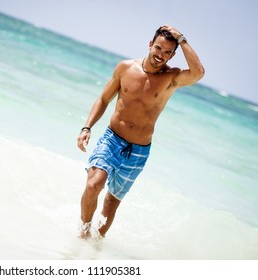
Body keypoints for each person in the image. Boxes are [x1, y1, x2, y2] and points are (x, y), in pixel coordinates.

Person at [77, 25, 205, 238]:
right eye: (158, 48)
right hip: (112, 139)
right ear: (150, 44)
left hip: (138, 151)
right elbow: (103, 99)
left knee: (110, 204)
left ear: (173, 55)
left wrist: (182, 39)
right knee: (93, 184)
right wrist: (86, 127)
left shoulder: (171, 78)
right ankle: (82, 234)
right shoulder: (125, 68)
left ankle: (93, 247)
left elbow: (198, 72)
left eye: (167, 52)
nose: (160, 55)